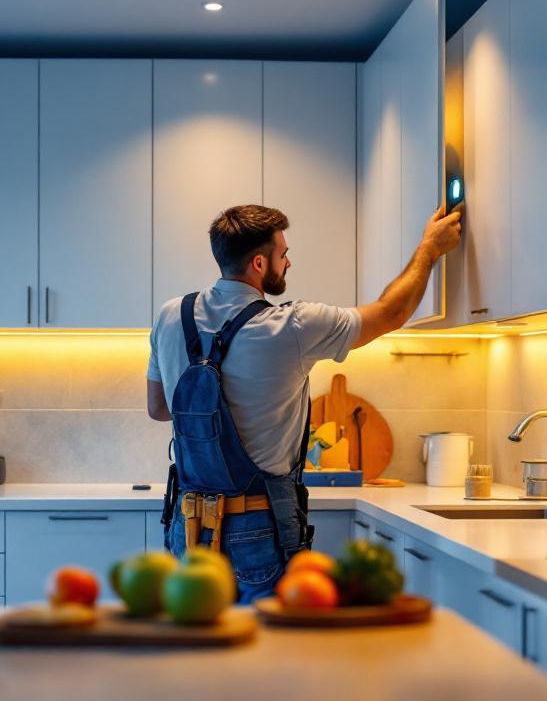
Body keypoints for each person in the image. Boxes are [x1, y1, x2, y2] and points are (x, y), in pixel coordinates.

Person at [146, 202, 461, 601]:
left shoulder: (170, 315)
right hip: (258, 524)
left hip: (187, 525)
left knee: (198, 648)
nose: (288, 263)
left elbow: (159, 408)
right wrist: (429, 249)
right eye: (283, 254)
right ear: (259, 264)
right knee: (267, 651)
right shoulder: (293, 325)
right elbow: (392, 311)